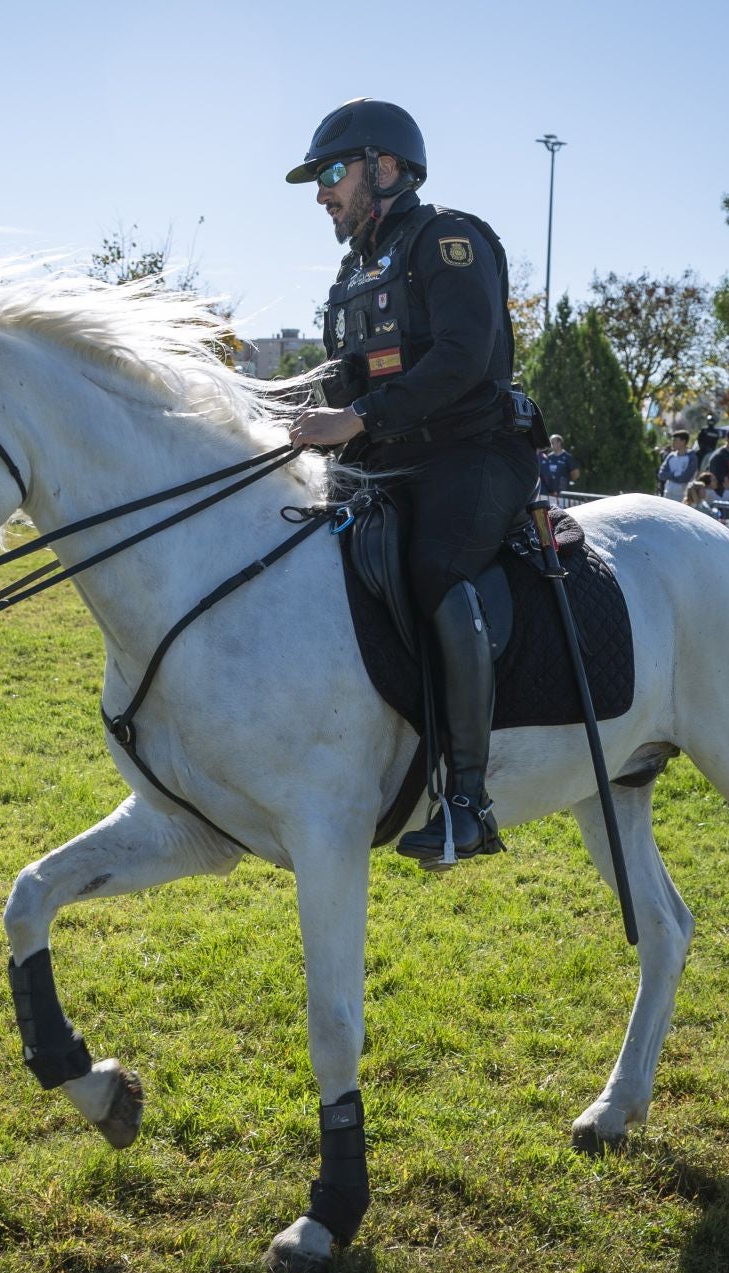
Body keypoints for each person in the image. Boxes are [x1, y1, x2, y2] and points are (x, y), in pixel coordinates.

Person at [284, 97, 538, 864]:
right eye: (318, 181)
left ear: (386, 168)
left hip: (474, 453)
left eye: (333, 173)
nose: (323, 192)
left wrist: (357, 418)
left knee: (435, 568)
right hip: (387, 459)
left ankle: (468, 800)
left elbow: (463, 359)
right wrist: (282, 411)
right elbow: (343, 375)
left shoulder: (448, 239)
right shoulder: (356, 268)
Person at [657, 429, 697, 500]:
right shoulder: (671, 456)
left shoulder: (691, 458)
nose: (672, 443)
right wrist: (675, 474)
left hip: (683, 496)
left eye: (675, 440)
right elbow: (661, 475)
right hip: (668, 493)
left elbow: (685, 478)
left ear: (683, 441)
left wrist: (670, 476)